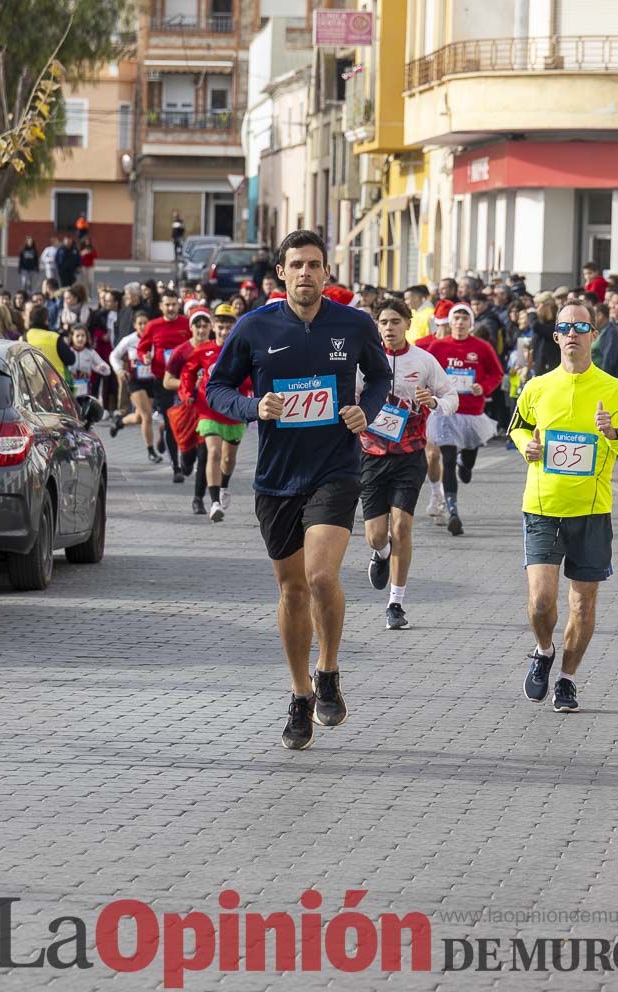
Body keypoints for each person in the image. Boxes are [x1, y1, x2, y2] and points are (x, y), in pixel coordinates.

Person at [206, 229, 391, 751]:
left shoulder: (353, 324)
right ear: (281, 274)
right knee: (291, 590)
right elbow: (216, 387)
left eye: (314, 264)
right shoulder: (254, 326)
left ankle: (329, 670)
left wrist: (366, 411)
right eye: (297, 265)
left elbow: (379, 380)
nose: (306, 273)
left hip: (335, 469)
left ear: (327, 273)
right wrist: (252, 408)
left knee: (319, 574)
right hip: (276, 479)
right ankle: (300, 692)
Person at [509, 302, 618, 712]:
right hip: (542, 505)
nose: (572, 333)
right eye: (565, 327)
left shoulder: (614, 390)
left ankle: (566, 679)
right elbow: (518, 427)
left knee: (583, 603)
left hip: (591, 510)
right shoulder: (536, 387)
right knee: (541, 601)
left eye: (580, 326)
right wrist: (526, 446)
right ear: (556, 337)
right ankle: (543, 650)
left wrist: (614, 431)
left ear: (593, 334)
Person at [359, 298, 458, 630]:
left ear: (407, 324)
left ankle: (396, 603)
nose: (389, 328)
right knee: (375, 535)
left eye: (395, 322)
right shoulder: (364, 361)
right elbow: (348, 396)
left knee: (401, 527)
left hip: (409, 454)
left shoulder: (424, 361)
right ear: (377, 326)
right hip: (370, 455)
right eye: (384, 322)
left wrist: (435, 402)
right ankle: (381, 552)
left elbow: (451, 396)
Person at [418, 302, 503, 536]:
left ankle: (466, 465)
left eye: (465, 319)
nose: (460, 323)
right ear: (450, 322)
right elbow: (426, 372)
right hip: (445, 411)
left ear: (471, 324)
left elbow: (496, 373)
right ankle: (453, 511)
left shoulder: (482, 347)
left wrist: (482, 387)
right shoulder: (438, 346)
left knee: (467, 461)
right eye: (456, 319)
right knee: (445, 455)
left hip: (472, 412)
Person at [179, 305, 250, 519]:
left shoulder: (242, 350)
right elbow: (187, 373)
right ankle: (214, 503)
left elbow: (251, 378)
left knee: (228, 460)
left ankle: (224, 486)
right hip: (208, 410)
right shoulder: (202, 350)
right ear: (214, 327)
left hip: (234, 411)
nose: (224, 331)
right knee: (213, 452)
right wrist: (186, 393)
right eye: (220, 327)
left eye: (229, 327)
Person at [136, 289, 191, 479]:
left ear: (179, 305)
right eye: (167, 304)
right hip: (162, 381)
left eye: (174, 304)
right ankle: (176, 466)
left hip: (186, 380)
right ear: (161, 306)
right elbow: (142, 348)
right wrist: (145, 357)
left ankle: (186, 457)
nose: (170, 308)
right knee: (171, 423)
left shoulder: (186, 323)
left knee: (186, 422)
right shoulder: (153, 326)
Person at [164, 306, 213, 512]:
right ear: (191, 327)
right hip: (186, 409)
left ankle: (198, 499)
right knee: (188, 460)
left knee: (205, 454)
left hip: (208, 411)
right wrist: (191, 385)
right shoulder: (181, 351)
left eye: (205, 326)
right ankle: (183, 461)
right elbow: (167, 381)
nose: (201, 330)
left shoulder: (216, 349)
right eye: (197, 326)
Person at [109, 308, 164, 463]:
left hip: (151, 381)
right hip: (135, 381)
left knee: (140, 418)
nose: (142, 326)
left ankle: (120, 422)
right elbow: (113, 355)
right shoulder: (129, 340)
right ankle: (151, 451)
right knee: (147, 415)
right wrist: (119, 370)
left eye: (145, 323)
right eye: (139, 323)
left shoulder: (155, 338)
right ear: (134, 325)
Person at [26, 306, 76, 379]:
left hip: (32, 384)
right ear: (46, 320)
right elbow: (71, 359)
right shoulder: (54, 337)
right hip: (56, 384)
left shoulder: (23, 337)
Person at [68, 325, 111, 402]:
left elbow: (107, 371)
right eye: (77, 336)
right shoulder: (67, 351)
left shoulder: (90, 353)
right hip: (69, 391)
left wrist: (102, 367)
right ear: (72, 337)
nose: (80, 338)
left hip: (85, 391)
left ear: (87, 337)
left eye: (83, 336)